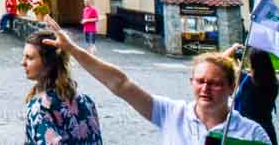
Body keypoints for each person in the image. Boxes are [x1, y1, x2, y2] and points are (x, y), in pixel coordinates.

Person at [43, 17, 270, 144]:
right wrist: (72, 49)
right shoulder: (173, 114)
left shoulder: (252, 134)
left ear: (233, 87)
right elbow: (120, 84)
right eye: (199, 81)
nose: (205, 88)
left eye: (215, 83)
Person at [21, 29, 102, 144]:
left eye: (29, 58)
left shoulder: (40, 108)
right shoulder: (87, 102)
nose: (22, 62)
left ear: (48, 64)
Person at [225, 44, 279, 144]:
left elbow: (221, 61)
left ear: (252, 63)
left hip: (246, 133)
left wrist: (233, 48)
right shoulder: (273, 82)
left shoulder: (246, 80)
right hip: (266, 131)